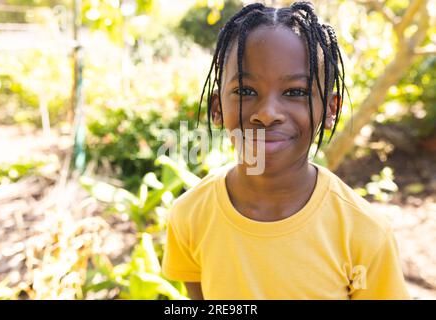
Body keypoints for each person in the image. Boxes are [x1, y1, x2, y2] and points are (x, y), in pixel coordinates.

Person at [161, 1, 410, 299]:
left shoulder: (365, 233)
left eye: (295, 92)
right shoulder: (189, 215)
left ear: (330, 109)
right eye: (245, 91)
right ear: (218, 107)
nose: (267, 114)